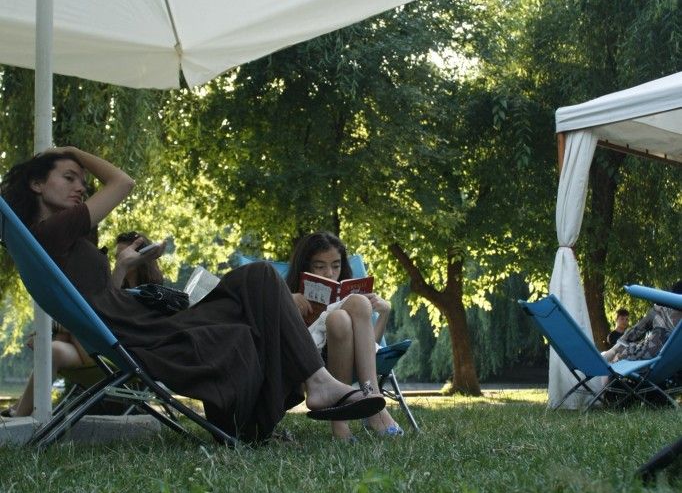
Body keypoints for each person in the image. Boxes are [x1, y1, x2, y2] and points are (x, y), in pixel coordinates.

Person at [0, 149, 384, 440]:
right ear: (37, 184)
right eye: (69, 177)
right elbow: (123, 182)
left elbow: (101, 302)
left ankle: (300, 393)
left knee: (257, 288)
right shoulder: (51, 232)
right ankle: (314, 384)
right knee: (259, 285)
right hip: (146, 333)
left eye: (82, 180)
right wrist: (71, 150)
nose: (82, 187)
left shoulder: (51, 242)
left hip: (138, 325)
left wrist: (122, 267)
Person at [1, 227, 165, 419]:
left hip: (121, 357)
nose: (118, 261)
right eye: (117, 257)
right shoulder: (117, 286)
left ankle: (17, 416)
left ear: (141, 257)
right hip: (98, 351)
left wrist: (54, 331)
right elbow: (102, 318)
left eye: (122, 256)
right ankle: (21, 413)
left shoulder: (152, 295)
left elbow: (107, 321)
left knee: (60, 335)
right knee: (51, 350)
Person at [286, 231, 403, 442]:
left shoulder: (345, 299)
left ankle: (341, 423)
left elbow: (370, 346)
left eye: (336, 266)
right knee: (357, 303)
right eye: (319, 266)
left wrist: (384, 313)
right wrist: (288, 302)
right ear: (306, 267)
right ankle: (374, 402)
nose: (329, 273)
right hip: (313, 365)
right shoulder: (289, 295)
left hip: (350, 357)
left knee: (339, 318)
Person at [603, 283, 682, 363]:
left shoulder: (660, 312)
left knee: (620, 348)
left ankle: (611, 356)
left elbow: (634, 333)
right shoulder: (661, 313)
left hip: (646, 358)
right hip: (670, 362)